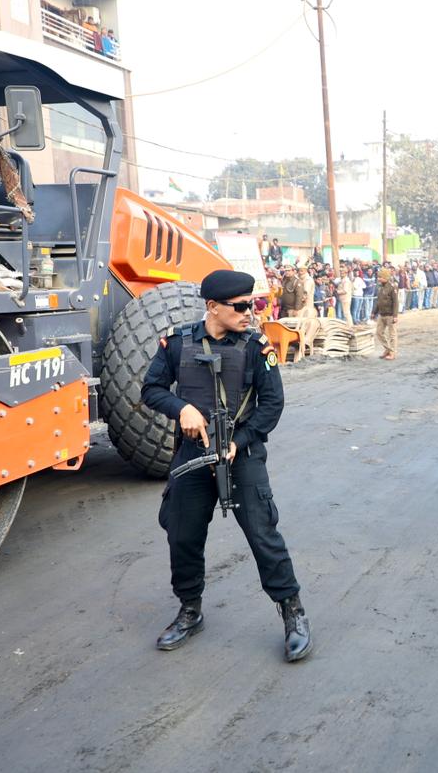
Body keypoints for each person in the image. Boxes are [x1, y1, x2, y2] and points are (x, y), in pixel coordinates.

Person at [140, 269, 311, 661]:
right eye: (240, 306)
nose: (250, 311)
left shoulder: (255, 345)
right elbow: (151, 389)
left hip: (242, 455)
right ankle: (190, 609)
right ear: (212, 307)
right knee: (182, 534)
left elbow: (272, 404)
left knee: (263, 534)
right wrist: (181, 408)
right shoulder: (177, 343)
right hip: (193, 454)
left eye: (252, 303)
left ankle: (293, 612)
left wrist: (240, 440)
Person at [372, 268, 399, 360]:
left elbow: (396, 303)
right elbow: (378, 301)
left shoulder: (392, 287)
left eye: (380, 277)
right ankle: (388, 349)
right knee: (379, 333)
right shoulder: (380, 287)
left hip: (390, 315)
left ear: (386, 277)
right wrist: (374, 312)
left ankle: (393, 353)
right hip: (381, 314)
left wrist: (395, 316)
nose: (378, 278)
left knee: (392, 335)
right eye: (378, 277)